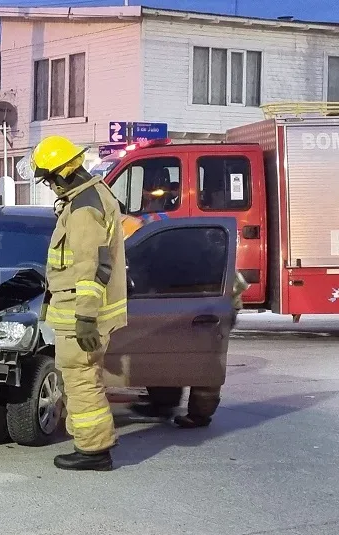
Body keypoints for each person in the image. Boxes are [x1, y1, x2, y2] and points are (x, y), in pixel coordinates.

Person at [31, 136, 128, 472]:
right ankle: (93, 443)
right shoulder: (93, 196)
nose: (51, 187)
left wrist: (85, 318)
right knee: (84, 377)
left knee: (81, 379)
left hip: (81, 315)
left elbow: (91, 267)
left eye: (49, 180)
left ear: (62, 174)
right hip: (80, 313)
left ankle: (93, 451)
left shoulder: (84, 208)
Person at [123, 214, 249, 428]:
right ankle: (164, 404)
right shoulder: (178, 250)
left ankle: (199, 414)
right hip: (190, 307)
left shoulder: (198, 255)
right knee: (168, 356)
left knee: (204, 362)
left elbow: (234, 287)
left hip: (207, 312)